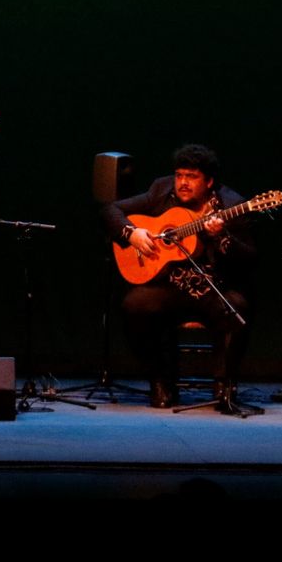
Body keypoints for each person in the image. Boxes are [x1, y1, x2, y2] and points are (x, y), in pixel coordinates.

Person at [101, 144, 257, 411]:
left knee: (237, 310)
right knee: (134, 306)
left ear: (209, 181)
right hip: (168, 286)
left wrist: (222, 236)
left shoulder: (233, 205)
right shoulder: (160, 190)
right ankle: (161, 381)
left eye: (191, 177)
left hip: (211, 287)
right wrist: (132, 234)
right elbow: (111, 210)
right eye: (179, 175)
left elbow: (250, 257)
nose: (182, 183)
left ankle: (223, 387)